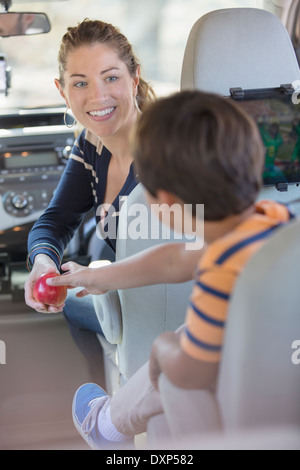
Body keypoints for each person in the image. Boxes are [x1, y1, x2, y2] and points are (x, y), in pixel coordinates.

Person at [47, 90, 293, 449]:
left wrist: (162, 349)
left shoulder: (221, 273)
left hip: (246, 424)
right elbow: (177, 259)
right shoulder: (274, 225)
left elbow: (191, 373)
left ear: (164, 202)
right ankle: (108, 425)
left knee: (173, 358)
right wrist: (96, 276)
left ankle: (107, 426)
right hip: (282, 395)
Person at [24, 19, 156, 382]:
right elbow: (56, 219)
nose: (97, 96)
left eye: (111, 77)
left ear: (134, 77)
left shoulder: (165, 154)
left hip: (165, 308)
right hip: (130, 298)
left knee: (75, 305)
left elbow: (184, 256)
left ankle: (103, 400)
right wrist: (43, 263)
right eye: (80, 83)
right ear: (62, 91)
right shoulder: (90, 145)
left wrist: (104, 276)